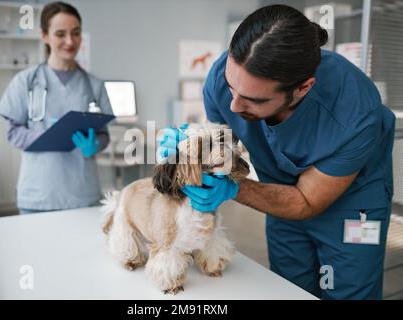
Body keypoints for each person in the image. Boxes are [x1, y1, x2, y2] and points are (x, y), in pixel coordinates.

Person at [159, 5, 396, 299]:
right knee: (289, 288)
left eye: (252, 99)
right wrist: (194, 146)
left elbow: (306, 201)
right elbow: (222, 145)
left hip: (351, 206)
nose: (233, 106)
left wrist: (233, 188)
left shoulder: (356, 111)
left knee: (346, 292)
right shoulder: (223, 78)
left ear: (302, 88)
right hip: (279, 196)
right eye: (231, 87)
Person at [0, 2, 113, 214]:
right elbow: (13, 133)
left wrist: (94, 144)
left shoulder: (94, 85)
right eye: (60, 34)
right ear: (45, 36)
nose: (70, 41)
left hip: (82, 194)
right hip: (38, 196)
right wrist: (47, 136)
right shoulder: (25, 81)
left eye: (76, 33)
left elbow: (104, 134)